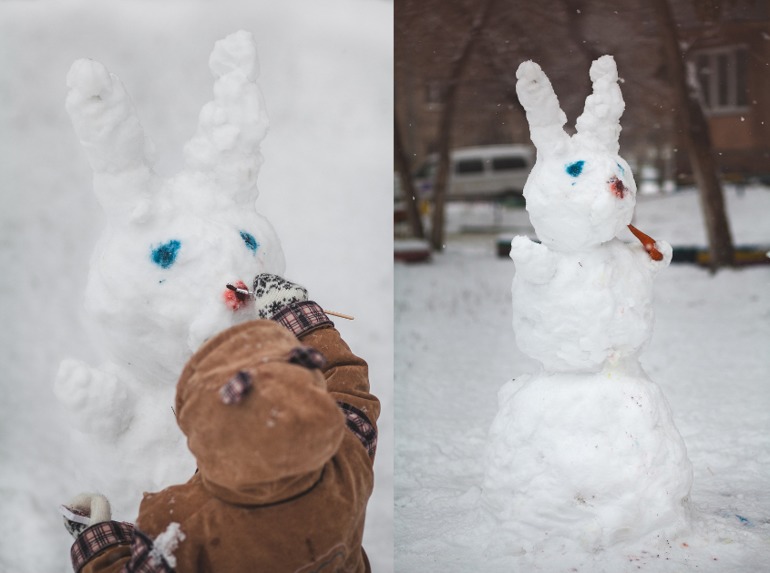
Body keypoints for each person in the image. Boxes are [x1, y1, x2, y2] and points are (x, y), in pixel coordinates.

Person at [62, 274, 379, 572]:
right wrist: (294, 312)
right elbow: (348, 387)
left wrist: (99, 543)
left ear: (202, 437)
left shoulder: (182, 522)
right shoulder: (346, 456)